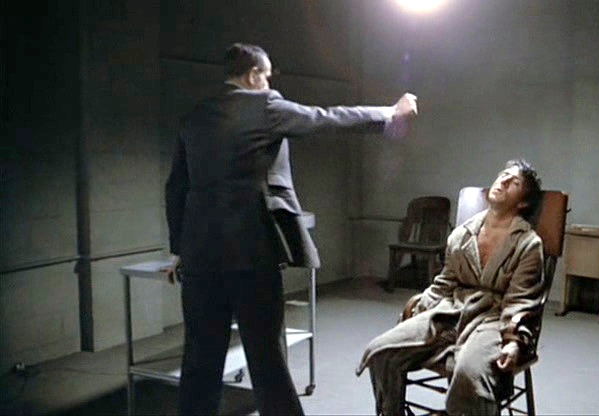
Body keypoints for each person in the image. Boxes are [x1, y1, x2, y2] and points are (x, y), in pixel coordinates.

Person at [164, 42, 418, 416]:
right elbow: (325, 118)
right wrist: (390, 114)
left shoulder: (195, 116)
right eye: (267, 76)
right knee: (266, 355)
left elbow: (177, 187)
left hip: (200, 254)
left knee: (200, 356)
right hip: (252, 252)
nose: (269, 83)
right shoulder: (265, 106)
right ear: (254, 75)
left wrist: (178, 249)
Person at [357, 159, 543, 416]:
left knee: (469, 376)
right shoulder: (462, 234)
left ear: (523, 202)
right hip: (451, 311)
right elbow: (444, 283)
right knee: (381, 351)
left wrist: (514, 342)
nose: (503, 181)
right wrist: (415, 313)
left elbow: (520, 301)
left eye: (515, 183)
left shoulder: (528, 244)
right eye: (503, 174)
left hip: (494, 319)